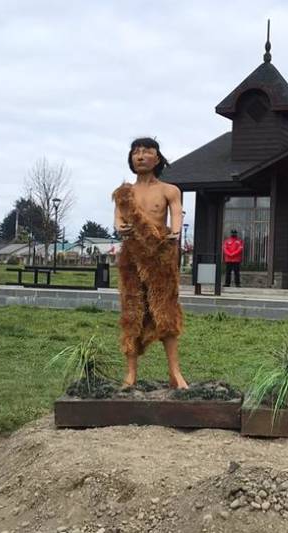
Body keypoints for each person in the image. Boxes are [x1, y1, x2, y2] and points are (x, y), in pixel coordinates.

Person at [112, 137, 187, 389]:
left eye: (147, 151)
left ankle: (175, 373)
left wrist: (175, 233)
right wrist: (120, 227)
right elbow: (118, 221)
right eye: (136, 152)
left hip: (159, 257)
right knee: (132, 313)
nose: (140, 156)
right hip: (132, 257)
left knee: (166, 312)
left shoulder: (169, 190)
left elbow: (176, 216)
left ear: (157, 158)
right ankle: (131, 374)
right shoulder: (124, 193)